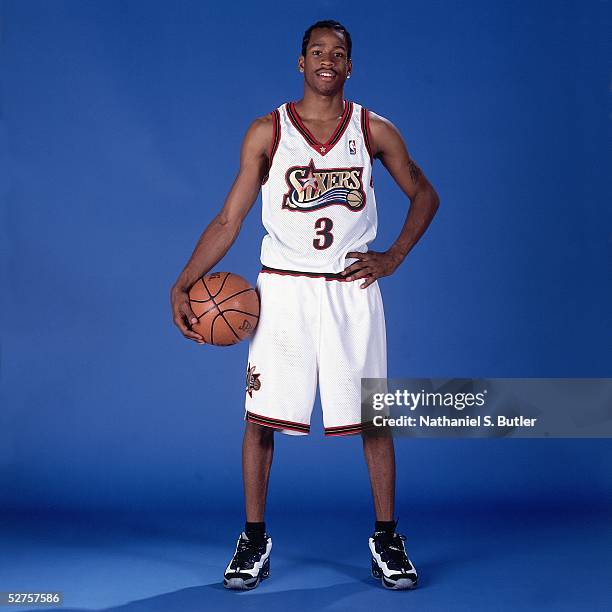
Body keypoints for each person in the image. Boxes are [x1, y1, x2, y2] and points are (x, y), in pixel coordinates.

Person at [171, 19, 440, 591]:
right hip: (284, 292)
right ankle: (253, 538)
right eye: (317, 51)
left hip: (351, 291)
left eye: (338, 53)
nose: (327, 59)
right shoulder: (267, 132)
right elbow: (229, 220)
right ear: (300, 62)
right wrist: (185, 280)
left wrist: (391, 257)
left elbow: (425, 193)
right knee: (260, 419)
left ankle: (388, 538)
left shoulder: (373, 130)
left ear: (350, 66)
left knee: (373, 418)